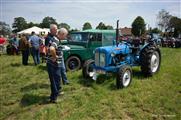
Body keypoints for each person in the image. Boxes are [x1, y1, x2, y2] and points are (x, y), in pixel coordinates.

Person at [46, 24, 63, 103]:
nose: (57, 30)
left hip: (55, 63)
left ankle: (56, 93)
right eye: (65, 36)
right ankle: (53, 98)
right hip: (53, 64)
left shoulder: (54, 38)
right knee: (54, 81)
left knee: (57, 79)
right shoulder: (55, 39)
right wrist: (55, 57)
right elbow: (51, 48)